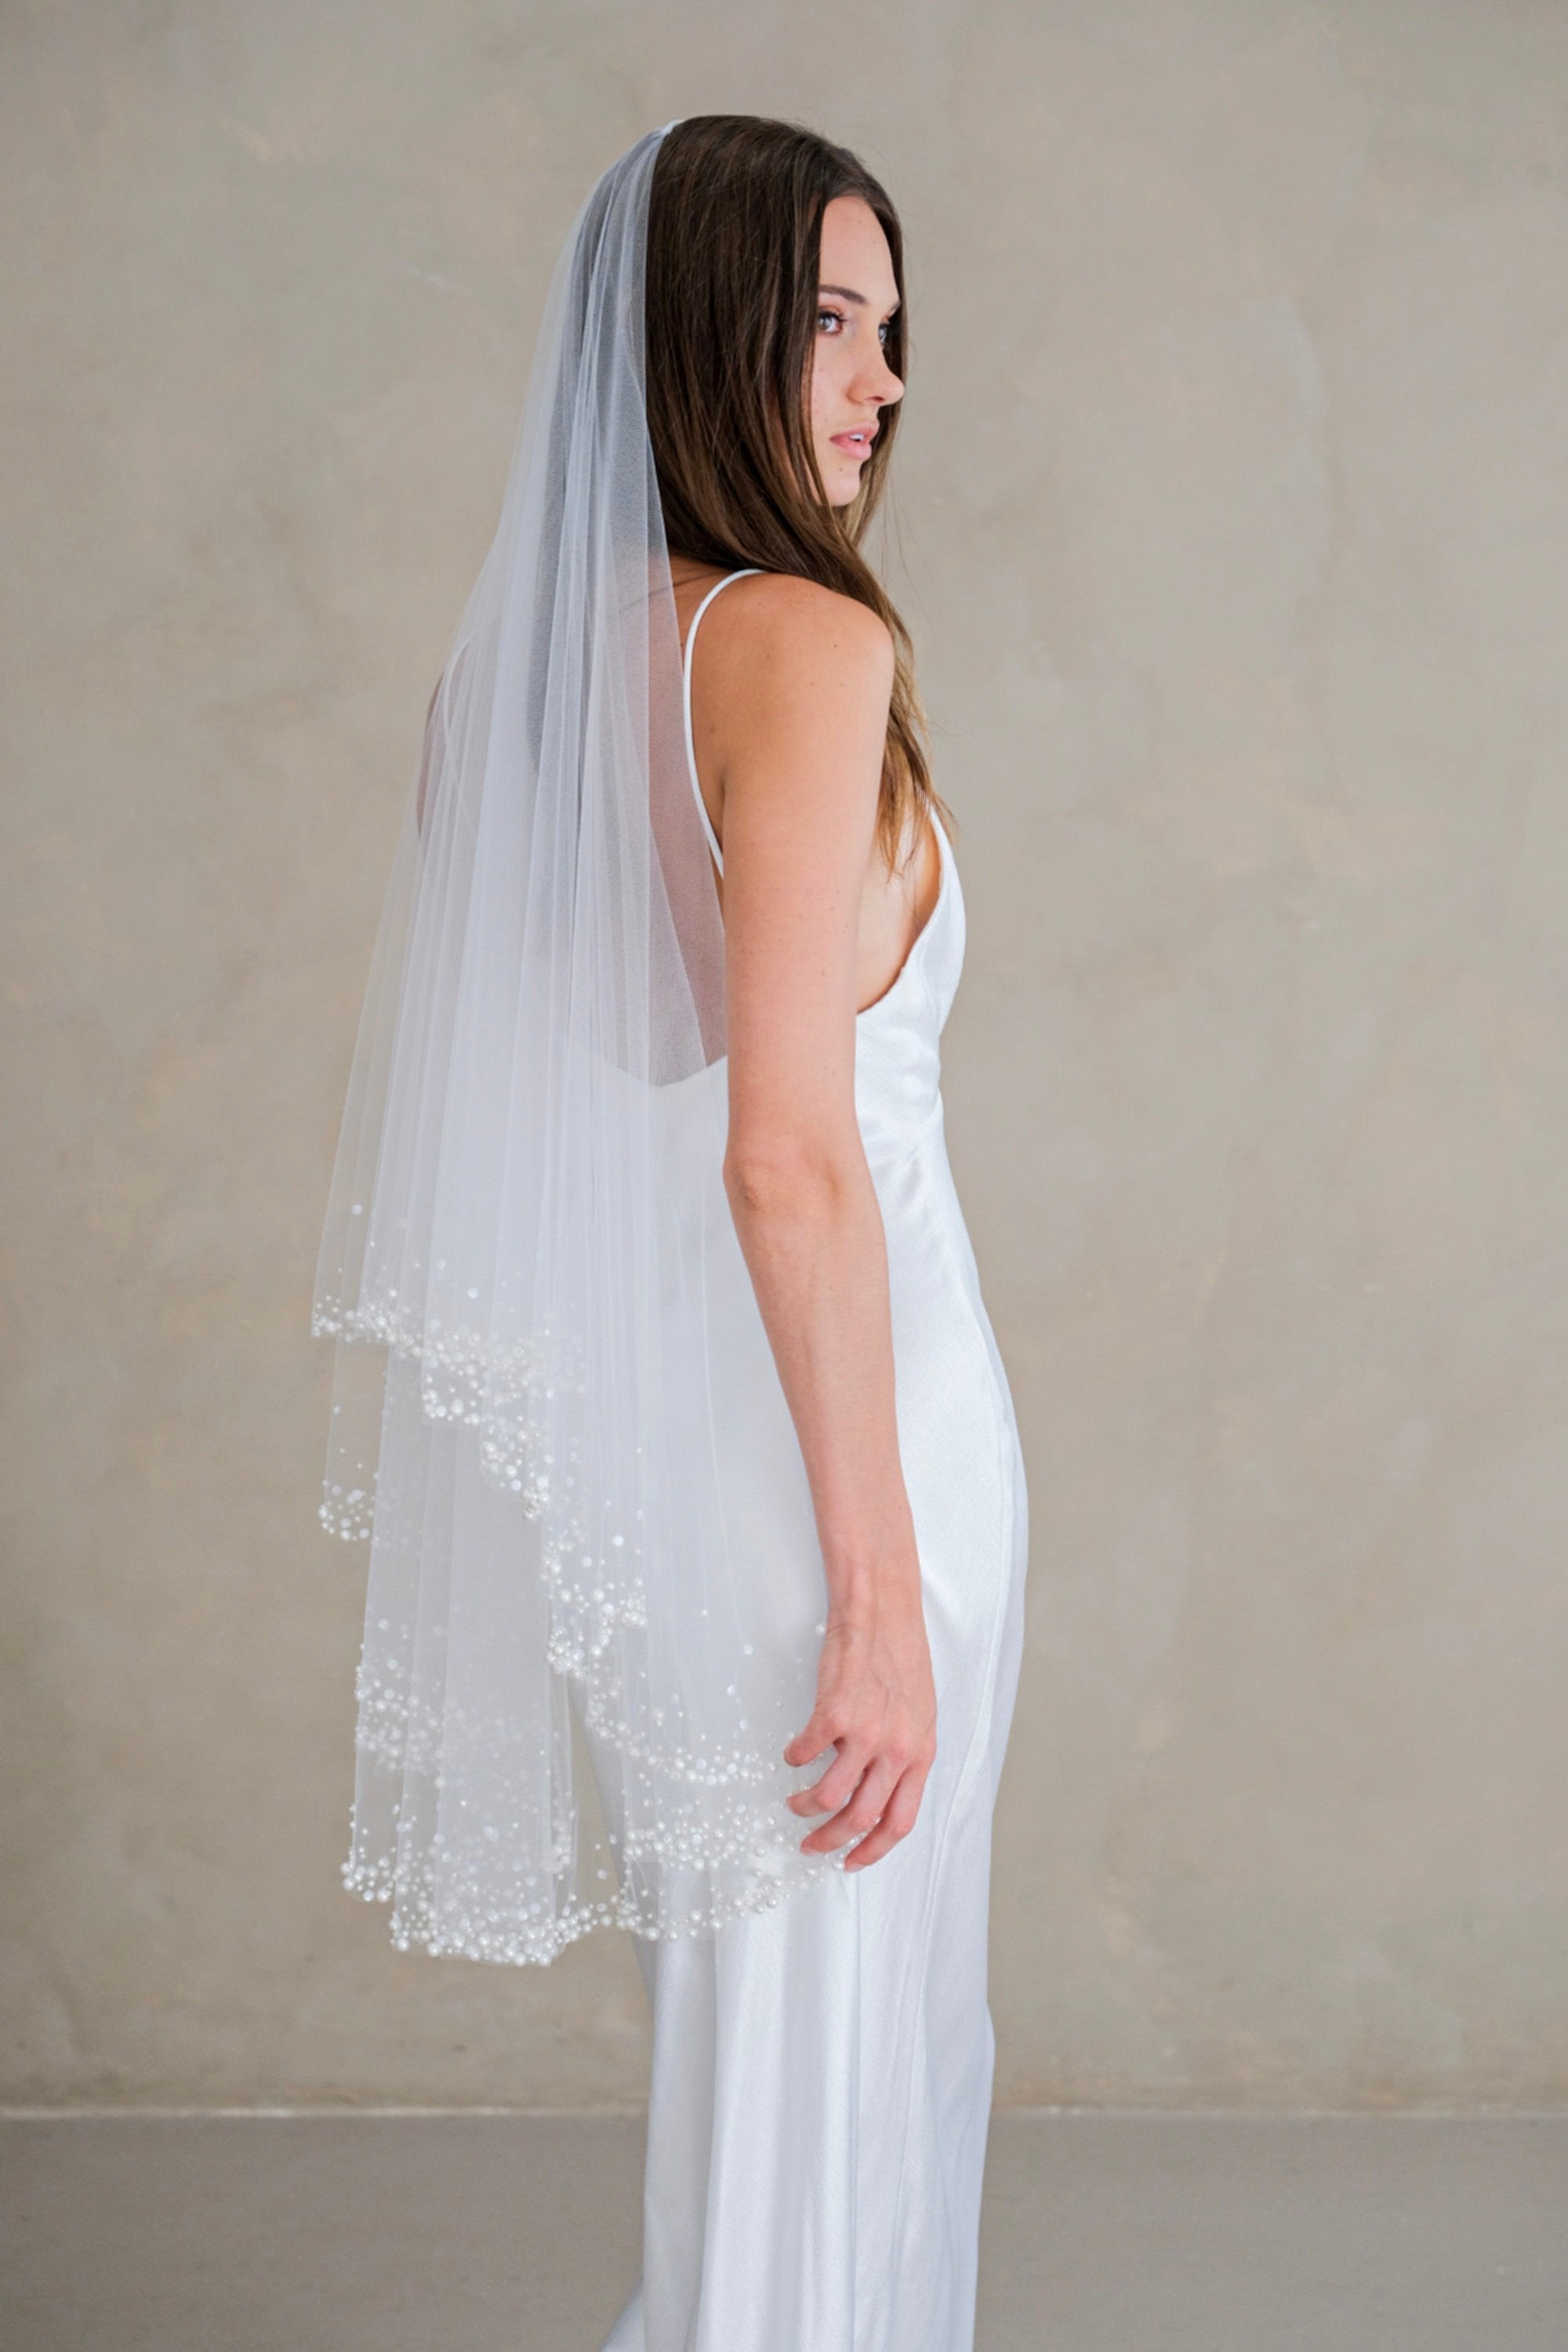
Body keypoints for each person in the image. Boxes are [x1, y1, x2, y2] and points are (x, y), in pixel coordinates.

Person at [313, 113, 1027, 2352]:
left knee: (773, 2108)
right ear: (704, 329)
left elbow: (566, 1111)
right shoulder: (800, 648)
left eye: (893, 336)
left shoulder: (506, 692)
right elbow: (784, 1156)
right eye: (832, 319)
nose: (880, 383)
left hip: (669, 1485)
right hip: (846, 1474)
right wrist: (879, 1592)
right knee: (851, 2099)